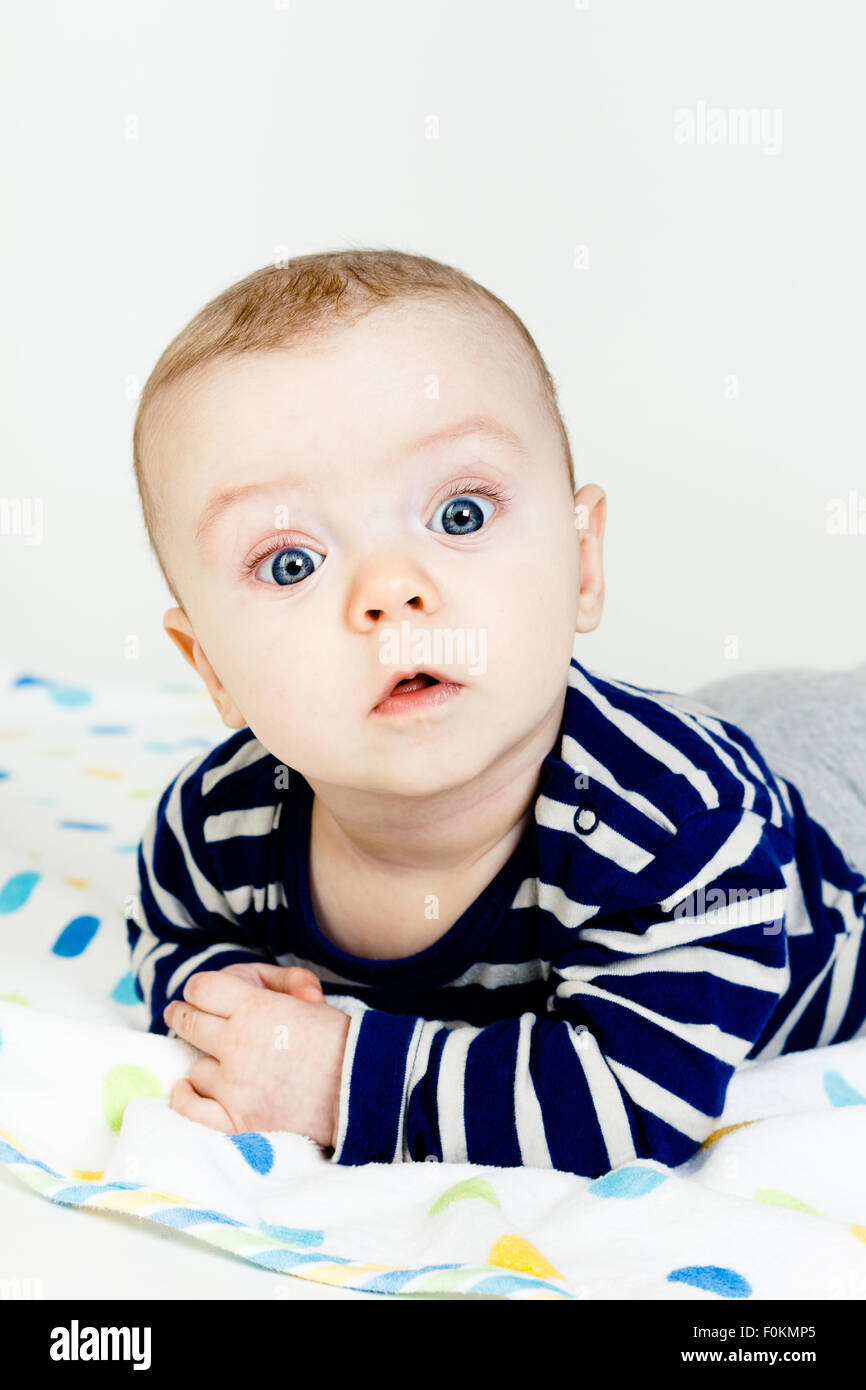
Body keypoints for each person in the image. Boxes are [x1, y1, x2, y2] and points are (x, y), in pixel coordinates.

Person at [126, 249, 866, 1176]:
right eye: (290, 563)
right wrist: (217, 995)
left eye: (462, 514)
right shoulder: (215, 826)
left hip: (826, 812)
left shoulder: (685, 836)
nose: (391, 592)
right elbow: (173, 935)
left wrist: (333, 1081)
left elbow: (632, 1110)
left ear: (583, 564)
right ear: (212, 670)